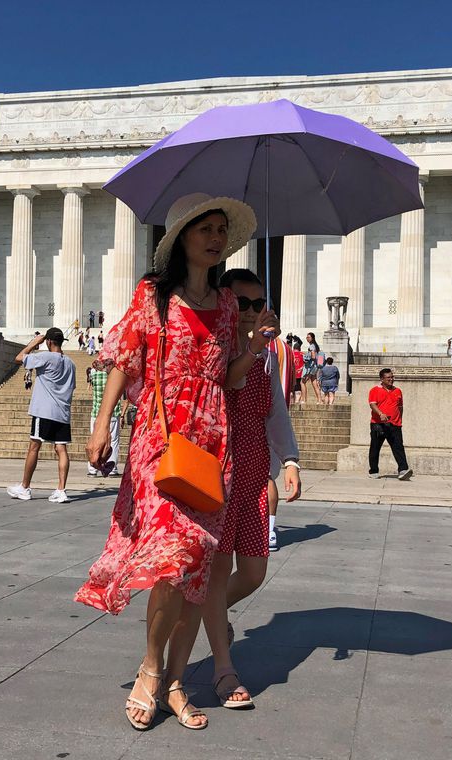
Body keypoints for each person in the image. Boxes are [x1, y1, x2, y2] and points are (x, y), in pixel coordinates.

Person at [77, 192, 271, 732]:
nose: (214, 238)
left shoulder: (230, 306)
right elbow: (123, 358)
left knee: (196, 565)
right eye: (204, 228)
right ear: (181, 236)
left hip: (212, 441)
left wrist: (252, 346)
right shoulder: (151, 295)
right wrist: (102, 422)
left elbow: (230, 378)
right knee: (171, 552)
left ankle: (175, 679)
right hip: (160, 436)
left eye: (219, 231)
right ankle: (150, 667)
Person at [200, 268, 300, 709]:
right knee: (219, 572)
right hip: (219, 473)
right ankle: (225, 671)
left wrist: (291, 460)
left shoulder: (266, 354)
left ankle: (208, 612)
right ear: (224, 303)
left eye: (258, 304)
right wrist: (254, 345)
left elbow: (275, 409)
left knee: (255, 572)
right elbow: (229, 381)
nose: (251, 311)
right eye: (242, 303)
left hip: (256, 471)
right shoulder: (214, 345)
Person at [7, 327, 76, 503]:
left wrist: (33, 343)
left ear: (49, 342)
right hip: (62, 411)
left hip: (44, 410)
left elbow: (19, 358)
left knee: (34, 447)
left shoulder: (45, 357)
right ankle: (61, 490)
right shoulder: (71, 363)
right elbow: (72, 387)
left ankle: (25, 487)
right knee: (61, 449)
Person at [368, 368, 412, 480]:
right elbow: (372, 404)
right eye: (388, 378)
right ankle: (373, 471)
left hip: (395, 424)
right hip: (378, 424)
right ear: (382, 379)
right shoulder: (375, 390)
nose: (391, 379)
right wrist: (380, 413)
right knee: (375, 448)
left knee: (398, 447)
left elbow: (400, 407)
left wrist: (399, 420)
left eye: (392, 377)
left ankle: (403, 470)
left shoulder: (398, 391)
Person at [86, 364, 122, 477]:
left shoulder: (93, 372)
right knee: (113, 442)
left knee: (94, 438)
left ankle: (92, 468)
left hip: (96, 412)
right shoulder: (113, 374)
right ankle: (112, 468)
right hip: (113, 411)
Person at [302, 332, 322, 404]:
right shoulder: (316, 346)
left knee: (302, 382)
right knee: (314, 384)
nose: (307, 338)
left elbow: (313, 356)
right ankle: (319, 400)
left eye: (308, 337)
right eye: (307, 337)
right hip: (315, 366)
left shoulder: (311, 346)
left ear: (312, 338)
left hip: (311, 367)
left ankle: (304, 400)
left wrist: (306, 356)